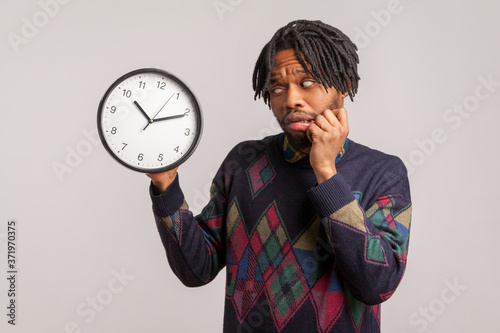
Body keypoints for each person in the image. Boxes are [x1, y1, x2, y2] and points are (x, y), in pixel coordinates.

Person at [147, 19, 412, 333]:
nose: (291, 100)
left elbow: (376, 285)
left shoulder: (382, 172)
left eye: (308, 82)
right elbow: (196, 269)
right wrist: (165, 184)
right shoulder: (243, 163)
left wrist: (326, 173)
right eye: (277, 87)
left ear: (345, 86)